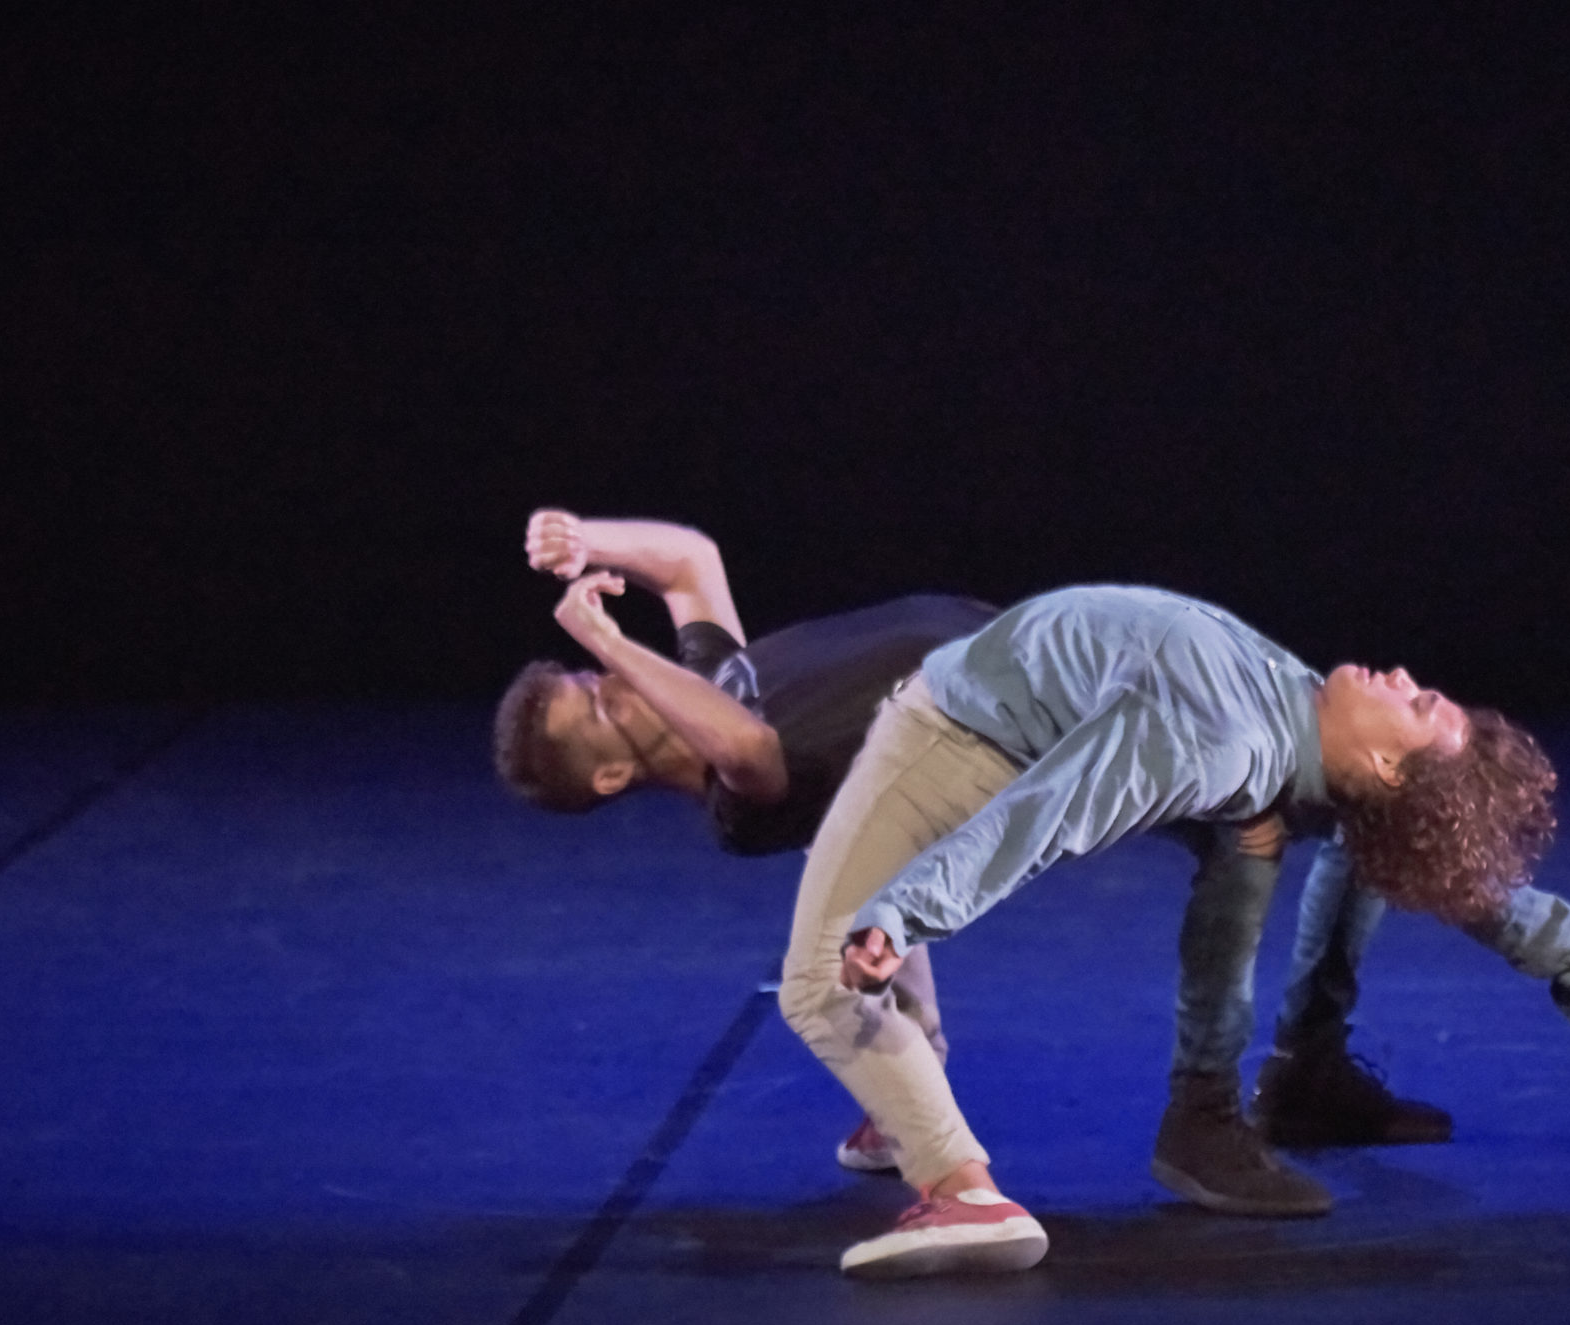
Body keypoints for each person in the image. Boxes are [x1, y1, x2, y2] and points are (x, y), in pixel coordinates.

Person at [778, 585, 1570, 1280]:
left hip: (961, 740)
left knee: (819, 980)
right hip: (999, 719)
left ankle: (964, 1192)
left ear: (1389, 761)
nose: (1400, 674)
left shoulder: (1226, 744)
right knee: (1281, 833)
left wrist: (912, 907)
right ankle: (1206, 1103)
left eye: (1419, 702)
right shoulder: (1287, 722)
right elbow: (1417, 847)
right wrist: (909, 905)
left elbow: (1055, 809)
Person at [491, 512, 1356, 1213]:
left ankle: (1294, 1075)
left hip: (1036, 663)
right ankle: (1205, 1113)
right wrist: (609, 643)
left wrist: (587, 540)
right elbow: (750, 749)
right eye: (598, 702)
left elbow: (689, 562)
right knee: (1310, 801)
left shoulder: (717, 674)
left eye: (596, 673)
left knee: (1323, 802)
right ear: (611, 775)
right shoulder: (733, 801)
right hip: (1038, 727)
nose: (616, 681)